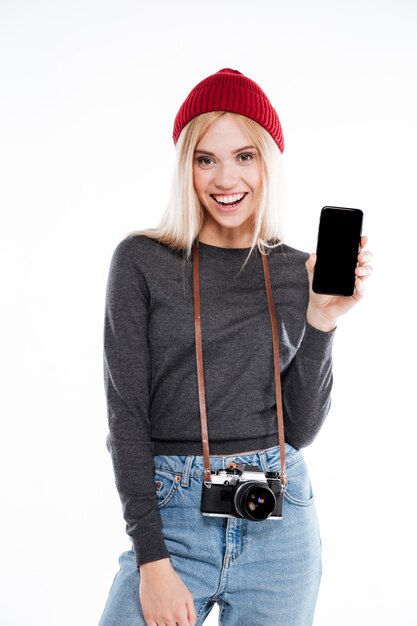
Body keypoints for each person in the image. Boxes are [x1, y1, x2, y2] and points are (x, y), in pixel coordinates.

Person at [98, 68, 373, 626]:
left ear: (268, 161)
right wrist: (152, 559)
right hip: (172, 516)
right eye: (207, 159)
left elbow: (300, 431)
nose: (227, 178)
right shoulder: (141, 262)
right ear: (187, 167)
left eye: (244, 156)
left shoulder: (300, 271)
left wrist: (321, 321)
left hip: (282, 522)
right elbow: (126, 418)